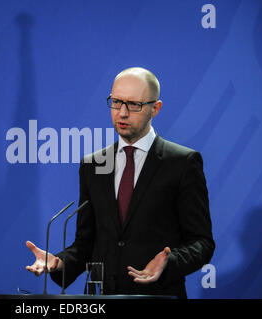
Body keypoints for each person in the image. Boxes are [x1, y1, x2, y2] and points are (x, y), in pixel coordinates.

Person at [25, 67, 215, 298]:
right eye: (116, 102)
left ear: (155, 108)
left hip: (157, 296)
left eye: (133, 104)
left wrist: (170, 262)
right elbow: (86, 243)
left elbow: (201, 242)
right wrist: (59, 263)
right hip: (101, 299)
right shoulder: (93, 165)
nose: (122, 113)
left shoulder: (182, 163)